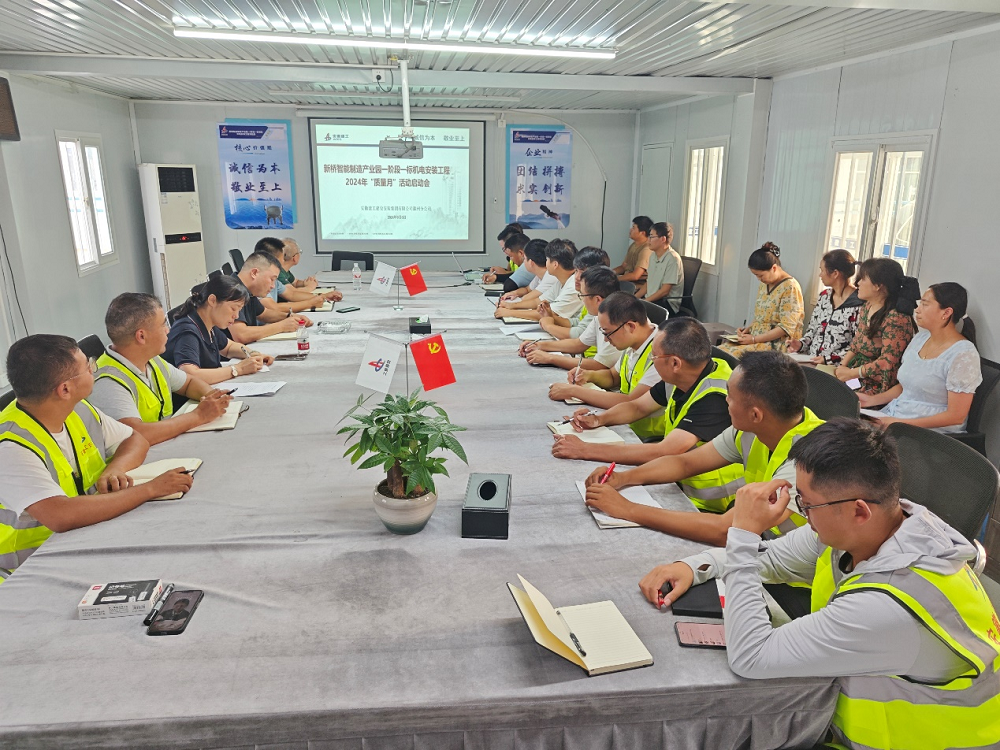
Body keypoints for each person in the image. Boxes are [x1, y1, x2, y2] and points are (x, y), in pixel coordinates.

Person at [639, 419, 1000, 750]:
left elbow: (751, 656)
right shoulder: (882, 525)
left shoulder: (887, 607)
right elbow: (771, 559)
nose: (801, 513)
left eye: (807, 504)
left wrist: (743, 533)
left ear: (859, 510)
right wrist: (691, 567)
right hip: (841, 718)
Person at [583, 351, 823, 548]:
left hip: (790, 572)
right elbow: (685, 462)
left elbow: (725, 530)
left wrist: (628, 509)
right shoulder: (751, 429)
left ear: (755, 414)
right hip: (764, 547)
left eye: (730, 397)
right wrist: (624, 478)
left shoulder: (809, 460)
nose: (725, 401)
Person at [0, 335, 194, 578]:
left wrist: (116, 469)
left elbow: (135, 439)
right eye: (88, 366)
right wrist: (150, 489)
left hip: (87, 536)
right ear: (65, 389)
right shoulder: (11, 446)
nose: (94, 368)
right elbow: (60, 515)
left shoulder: (77, 408)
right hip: (33, 567)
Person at [553, 318, 742, 506]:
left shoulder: (715, 397)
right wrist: (599, 419)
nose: (652, 361)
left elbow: (664, 451)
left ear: (675, 363)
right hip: (676, 483)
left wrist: (585, 449)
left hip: (711, 503)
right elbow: (637, 406)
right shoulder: (686, 375)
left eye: (654, 357)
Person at [90, 293, 232, 445]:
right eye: (163, 325)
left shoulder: (151, 360)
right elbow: (135, 435)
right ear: (141, 336)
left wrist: (211, 397)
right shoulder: (108, 382)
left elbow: (189, 383)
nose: (168, 330)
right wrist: (199, 416)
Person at [863, 282, 981, 432]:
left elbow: (956, 416)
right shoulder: (920, 338)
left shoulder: (963, 354)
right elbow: (907, 387)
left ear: (946, 313)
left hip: (929, 434)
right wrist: (871, 400)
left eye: (925, 304)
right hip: (898, 417)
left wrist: (898, 423)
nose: (917, 310)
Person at [549, 292, 664, 441]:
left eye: (608, 333)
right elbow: (612, 376)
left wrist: (574, 391)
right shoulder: (634, 343)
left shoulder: (660, 355)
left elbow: (632, 402)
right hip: (624, 423)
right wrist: (589, 375)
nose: (605, 339)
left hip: (648, 436)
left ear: (630, 326)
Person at [165, 275, 274, 385]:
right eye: (233, 308)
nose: (236, 316)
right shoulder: (187, 331)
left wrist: (252, 354)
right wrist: (238, 369)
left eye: (239, 310)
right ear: (212, 300)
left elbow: (229, 347)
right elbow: (190, 375)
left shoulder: (208, 324)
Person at [834, 257, 919, 396]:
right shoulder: (867, 306)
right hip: (857, 373)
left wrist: (851, 373)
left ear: (878, 285)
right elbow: (857, 343)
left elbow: (887, 361)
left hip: (878, 381)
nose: (858, 283)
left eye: (863, 279)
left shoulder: (896, 318)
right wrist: (842, 367)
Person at [520, 266, 621, 371]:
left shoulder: (616, 322)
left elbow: (599, 365)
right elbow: (578, 344)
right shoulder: (599, 316)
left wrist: (550, 358)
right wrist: (539, 345)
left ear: (597, 300)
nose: (582, 300)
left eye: (582, 295)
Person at [720, 242, 804, 356]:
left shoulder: (790, 287)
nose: (759, 279)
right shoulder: (765, 284)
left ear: (774, 268)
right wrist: (748, 329)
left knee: (732, 355)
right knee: (719, 351)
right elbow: (761, 316)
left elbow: (786, 328)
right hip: (757, 338)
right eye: (756, 275)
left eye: (760, 275)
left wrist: (754, 339)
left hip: (776, 344)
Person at [787, 249, 862, 364]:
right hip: (811, 361)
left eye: (822, 270)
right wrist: (800, 345)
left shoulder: (860, 304)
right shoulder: (824, 297)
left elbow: (858, 346)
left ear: (835, 273)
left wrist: (828, 360)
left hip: (836, 368)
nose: (820, 275)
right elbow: (812, 330)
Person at [228, 252, 311, 344]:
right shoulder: (231, 291)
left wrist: (289, 316)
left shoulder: (247, 289)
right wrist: (282, 326)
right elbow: (241, 335)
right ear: (254, 273)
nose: (273, 286)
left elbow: (264, 314)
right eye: (272, 279)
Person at [495, 239, 581, 322]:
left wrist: (510, 312)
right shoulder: (561, 282)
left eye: (547, 259)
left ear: (555, 264)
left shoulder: (573, 286)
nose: (545, 263)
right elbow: (537, 301)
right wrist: (510, 305)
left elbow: (547, 314)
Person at [535, 247, 611, 340]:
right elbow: (577, 322)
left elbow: (579, 334)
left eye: (583, 273)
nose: (577, 277)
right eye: (576, 271)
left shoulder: (599, 301)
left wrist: (548, 326)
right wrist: (551, 316)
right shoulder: (588, 294)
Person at [254, 237, 340, 310]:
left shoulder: (274, 280)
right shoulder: (259, 282)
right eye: (281, 259)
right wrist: (310, 303)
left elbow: (292, 295)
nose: (283, 263)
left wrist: (324, 296)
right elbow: (274, 307)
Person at [636, 222, 684, 316]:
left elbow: (664, 291)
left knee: (634, 314)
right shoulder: (653, 256)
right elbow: (649, 283)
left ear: (663, 239)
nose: (648, 240)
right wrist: (634, 298)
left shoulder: (673, 259)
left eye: (651, 237)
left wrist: (644, 302)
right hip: (652, 299)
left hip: (666, 303)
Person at [612, 216, 653, 284]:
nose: (630, 229)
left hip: (637, 285)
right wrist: (608, 273)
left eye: (633, 227)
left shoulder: (647, 249)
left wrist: (613, 280)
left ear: (642, 233)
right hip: (627, 281)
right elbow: (623, 267)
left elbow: (635, 276)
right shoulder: (633, 245)